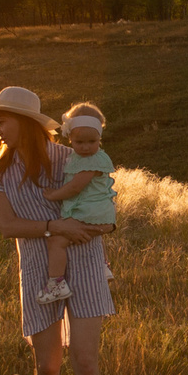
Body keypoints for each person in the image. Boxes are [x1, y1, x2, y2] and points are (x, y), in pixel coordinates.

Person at [0, 86, 112, 375]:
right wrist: (55, 226)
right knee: (47, 365)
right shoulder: (0, 173)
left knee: (85, 361)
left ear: (28, 122)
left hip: (84, 261)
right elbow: (7, 226)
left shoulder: (71, 156)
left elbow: (103, 197)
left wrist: (96, 227)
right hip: (38, 267)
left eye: (2, 120)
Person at [35, 102, 116, 305]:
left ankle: (56, 283)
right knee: (87, 235)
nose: (86, 147)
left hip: (91, 213)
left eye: (92, 141)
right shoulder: (80, 158)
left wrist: (54, 195)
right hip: (96, 214)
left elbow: (74, 188)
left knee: (56, 241)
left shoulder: (92, 161)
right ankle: (103, 266)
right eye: (80, 142)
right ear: (70, 138)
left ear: (100, 138)